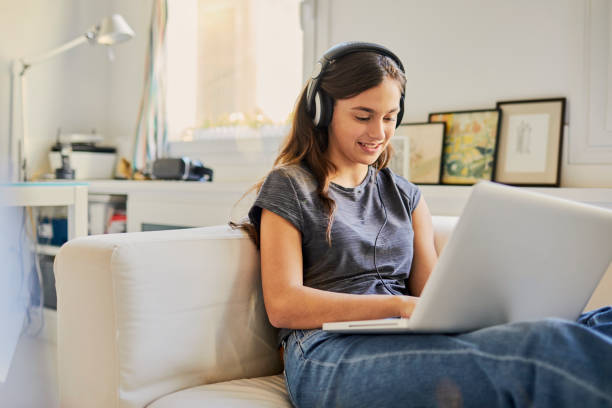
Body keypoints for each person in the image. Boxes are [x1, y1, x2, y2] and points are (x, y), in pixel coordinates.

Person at [239, 42, 612, 407]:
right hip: (326, 351)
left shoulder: (406, 195)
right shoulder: (289, 184)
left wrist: (491, 306)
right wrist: (398, 306)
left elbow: (432, 295)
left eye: (389, 117)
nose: (379, 133)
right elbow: (284, 304)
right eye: (363, 115)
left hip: (403, 337)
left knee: (599, 321)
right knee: (546, 345)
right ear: (323, 112)